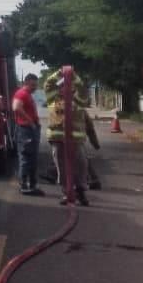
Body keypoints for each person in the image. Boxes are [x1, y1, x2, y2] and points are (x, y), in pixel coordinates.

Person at [43, 67, 94, 207]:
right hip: (57, 140)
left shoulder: (78, 100)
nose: (63, 89)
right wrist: (59, 73)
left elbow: (82, 89)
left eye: (67, 87)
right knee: (62, 167)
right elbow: (48, 84)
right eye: (61, 87)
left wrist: (74, 75)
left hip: (76, 140)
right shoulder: (52, 99)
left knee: (81, 165)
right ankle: (66, 192)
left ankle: (81, 191)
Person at [13, 73, 44, 195]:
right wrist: (30, 121)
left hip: (30, 129)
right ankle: (24, 185)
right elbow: (16, 107)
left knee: (32, 158)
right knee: (26, 157)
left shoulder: (28, 95)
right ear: (26, 83)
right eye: (33, 85)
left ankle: (31, 184)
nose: (35, 87)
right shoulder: (22, 93)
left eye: (36, 85)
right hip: (25, 130)